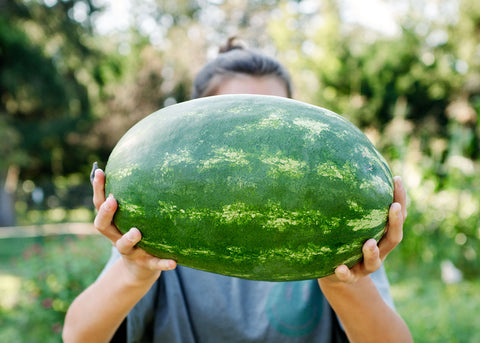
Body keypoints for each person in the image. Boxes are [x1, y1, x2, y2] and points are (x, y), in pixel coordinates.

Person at [63, 38, 412, 343]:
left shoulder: (337, 233)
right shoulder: (151, 236)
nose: (257, 155)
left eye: (273, 129)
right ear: (193, 128)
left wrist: (343, 283)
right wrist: (134, 271)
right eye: (240, 128)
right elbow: (79, 337)